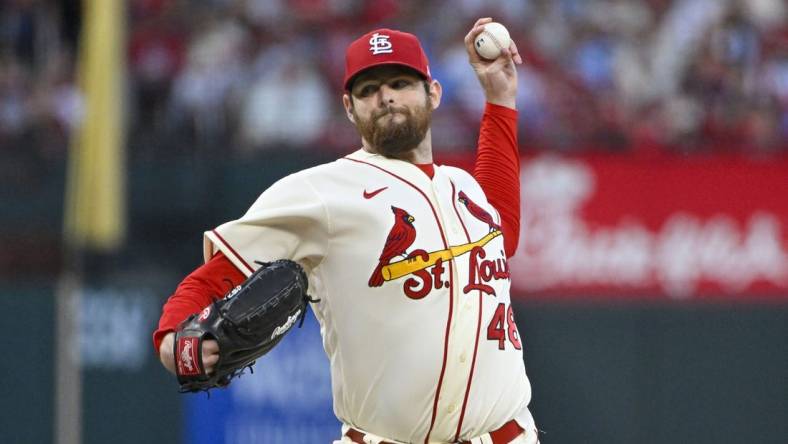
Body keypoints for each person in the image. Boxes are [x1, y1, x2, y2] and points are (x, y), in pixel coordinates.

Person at [154, 17, 539, 444]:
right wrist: (172, 340)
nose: (385, 97)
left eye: (399, 82)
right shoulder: (321, 192)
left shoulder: (462, 186)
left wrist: (500, 99)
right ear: (349, 107)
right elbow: (214, 276)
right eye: (368, 90)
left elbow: (502, 235)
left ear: (433, 92)